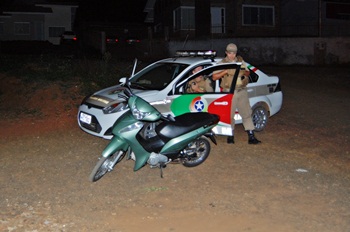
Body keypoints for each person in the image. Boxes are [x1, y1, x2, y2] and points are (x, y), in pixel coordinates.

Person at [212, 43, 261, 145]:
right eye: (230, 53)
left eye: (233, 53)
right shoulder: (222, 63)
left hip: (241, 90)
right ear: (226, 53)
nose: (232, 55)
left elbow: (248, 72)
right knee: (230, 115)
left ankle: (251, 136)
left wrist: (243, 72)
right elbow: (214, 77)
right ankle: (230, 136)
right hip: (229, 92)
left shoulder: (240, 61)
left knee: (246, 113)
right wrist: (225, 71)